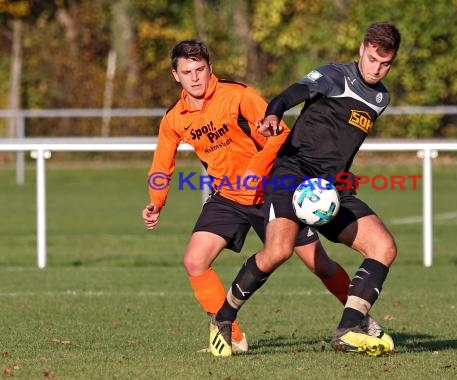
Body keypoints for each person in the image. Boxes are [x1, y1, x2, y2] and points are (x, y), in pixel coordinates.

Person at [141, 39, 382, 354]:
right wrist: (156, 201)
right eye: (188, 72)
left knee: (319, 264)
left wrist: (254, 172)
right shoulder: (175, 118)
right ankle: (233, 336)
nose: (196, 78)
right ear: (176, 75)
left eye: (200, 69)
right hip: (227, 197)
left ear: (210, 68)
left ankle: (361, 320)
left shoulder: (237, 95)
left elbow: (280, 132)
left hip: (270, 190)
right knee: (194, 261)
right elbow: (162, 163)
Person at [210, 22, 401, 357]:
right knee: (278, 252)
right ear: (361, 50)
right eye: (372, 59)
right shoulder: (335, 76)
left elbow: (344, 143)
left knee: (384, 247)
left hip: (330, 188)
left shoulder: (381, 98)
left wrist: (344, 174)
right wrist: (273, 115)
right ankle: (223, 317)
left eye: (385, 63)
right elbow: (289, 96)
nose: (376, 68)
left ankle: (349, 327)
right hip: (291, 174)